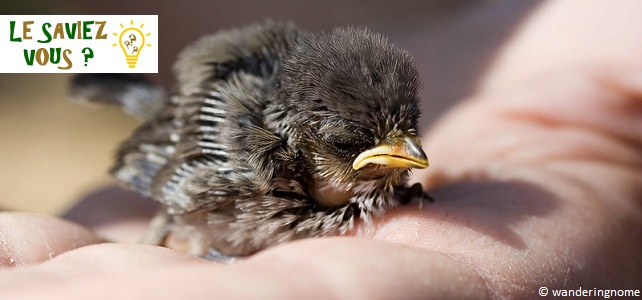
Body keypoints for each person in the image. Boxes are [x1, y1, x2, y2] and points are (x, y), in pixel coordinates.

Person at [1, 1, 640, 298]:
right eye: (355, 145)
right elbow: (170, 173)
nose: (410, 153)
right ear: (298, 145)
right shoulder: (242, 159)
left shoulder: (386, 158)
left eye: (406, 132)